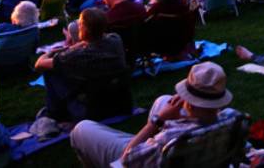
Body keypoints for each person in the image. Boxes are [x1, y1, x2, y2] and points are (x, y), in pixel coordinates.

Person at [69, 62, 245, 167]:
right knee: (164, 100)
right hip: (204, 155)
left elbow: (124, 162)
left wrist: (157, 121)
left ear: (188, 101)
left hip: (149, 157)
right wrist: (184, 115)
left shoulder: (170, 140)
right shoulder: (235, 118)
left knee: (82, 129)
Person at [35, 8, 129, 123]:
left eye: (80, 24)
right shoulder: (115, 40)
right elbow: (91, 42)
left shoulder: (76, 57)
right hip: (120, 103)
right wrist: (71, 47)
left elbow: (39, 64)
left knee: (50, 71)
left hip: (91, 112)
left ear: (84, 29)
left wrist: (51, 52)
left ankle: (55, 113)